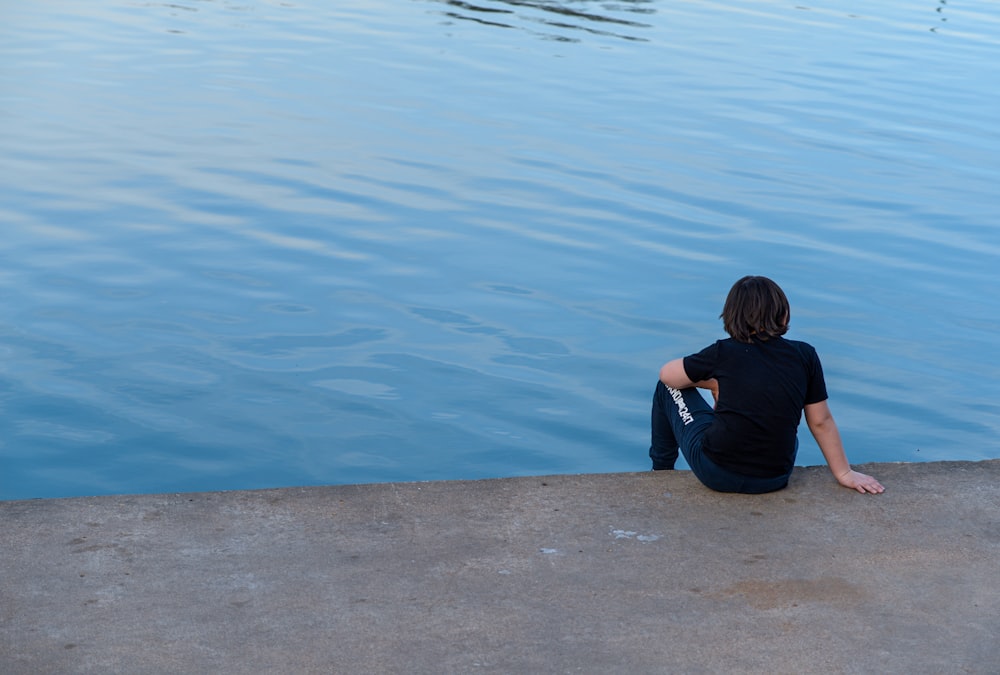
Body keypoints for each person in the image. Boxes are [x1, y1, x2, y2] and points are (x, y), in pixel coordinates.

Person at [650, 275, 884, 495]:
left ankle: (661, 471)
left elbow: (667, 375)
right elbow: (820, 421)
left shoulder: (723, 352)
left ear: (732, 316)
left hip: (717, 473)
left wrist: (715, 381)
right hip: (774, 477)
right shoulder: (805, 356)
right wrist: (844, 472)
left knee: (667, 389)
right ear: (783, 315)